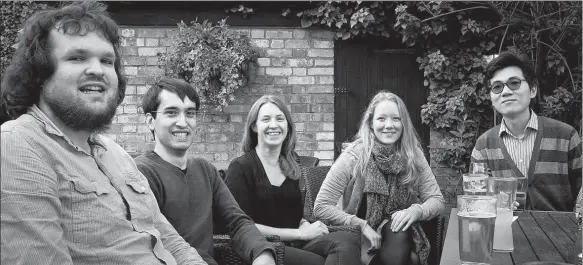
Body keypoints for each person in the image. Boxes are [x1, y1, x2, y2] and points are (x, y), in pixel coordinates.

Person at [0, 2, 209, 264]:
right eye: (77, 57)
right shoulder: (18, 146)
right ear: (40, 74)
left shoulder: (115, 153)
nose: (98, 70)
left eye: (107, 60)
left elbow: (168, 238)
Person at [134, 77, 276, 265]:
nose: (183, 122)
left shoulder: (205, 170)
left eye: (190, 113)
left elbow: (237, 221)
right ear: (151, 121)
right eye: (171, 113)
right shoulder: (141, 172)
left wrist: (262, 254)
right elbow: (149, 243)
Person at [224, 95, 361, 265]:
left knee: (347, 241)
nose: (274, 125)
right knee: (321, 261)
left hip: (295, 242)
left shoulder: (290, 164)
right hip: (262, 248)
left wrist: (304, 223)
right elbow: (242, 227)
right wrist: (301, 234)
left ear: (287, 125)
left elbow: (291, 213)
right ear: (254, 126)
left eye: (280, 119)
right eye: (266, 119)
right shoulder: (240, 168)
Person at [313, 91, 445, 265]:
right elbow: (321, 206)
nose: (389, 125)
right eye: (381, 119)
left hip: (398, 236)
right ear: (371, 123)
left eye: (396, 119)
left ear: (403, 123)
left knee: (397, 229)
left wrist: (415, 211)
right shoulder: (354, 156)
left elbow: (437, 200)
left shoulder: (414, 155)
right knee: (410, 259)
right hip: (358, 238)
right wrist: (362, 225)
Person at [471, 50, 582, 211]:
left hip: (560, 234)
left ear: (533, 90)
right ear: (491, 98)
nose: (506, 91)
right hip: (504, 234)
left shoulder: (566, 137)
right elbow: (476, 200)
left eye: (514, 83)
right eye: (497, 87)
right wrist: (490, 202)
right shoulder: (484, 145)